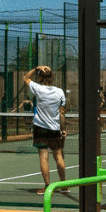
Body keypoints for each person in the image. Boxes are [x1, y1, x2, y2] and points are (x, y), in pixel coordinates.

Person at [23, 65, 66, 194]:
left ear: (40, 77)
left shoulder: (38, 89)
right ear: (52, 78)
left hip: (40, 129)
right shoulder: (60, 92)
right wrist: (63, 129)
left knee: (43, 157)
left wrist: (37, 68)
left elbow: (26, 77)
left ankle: (48, 186)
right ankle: (64, 185)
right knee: (59, 156)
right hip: (54, 129)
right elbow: (62, 114)